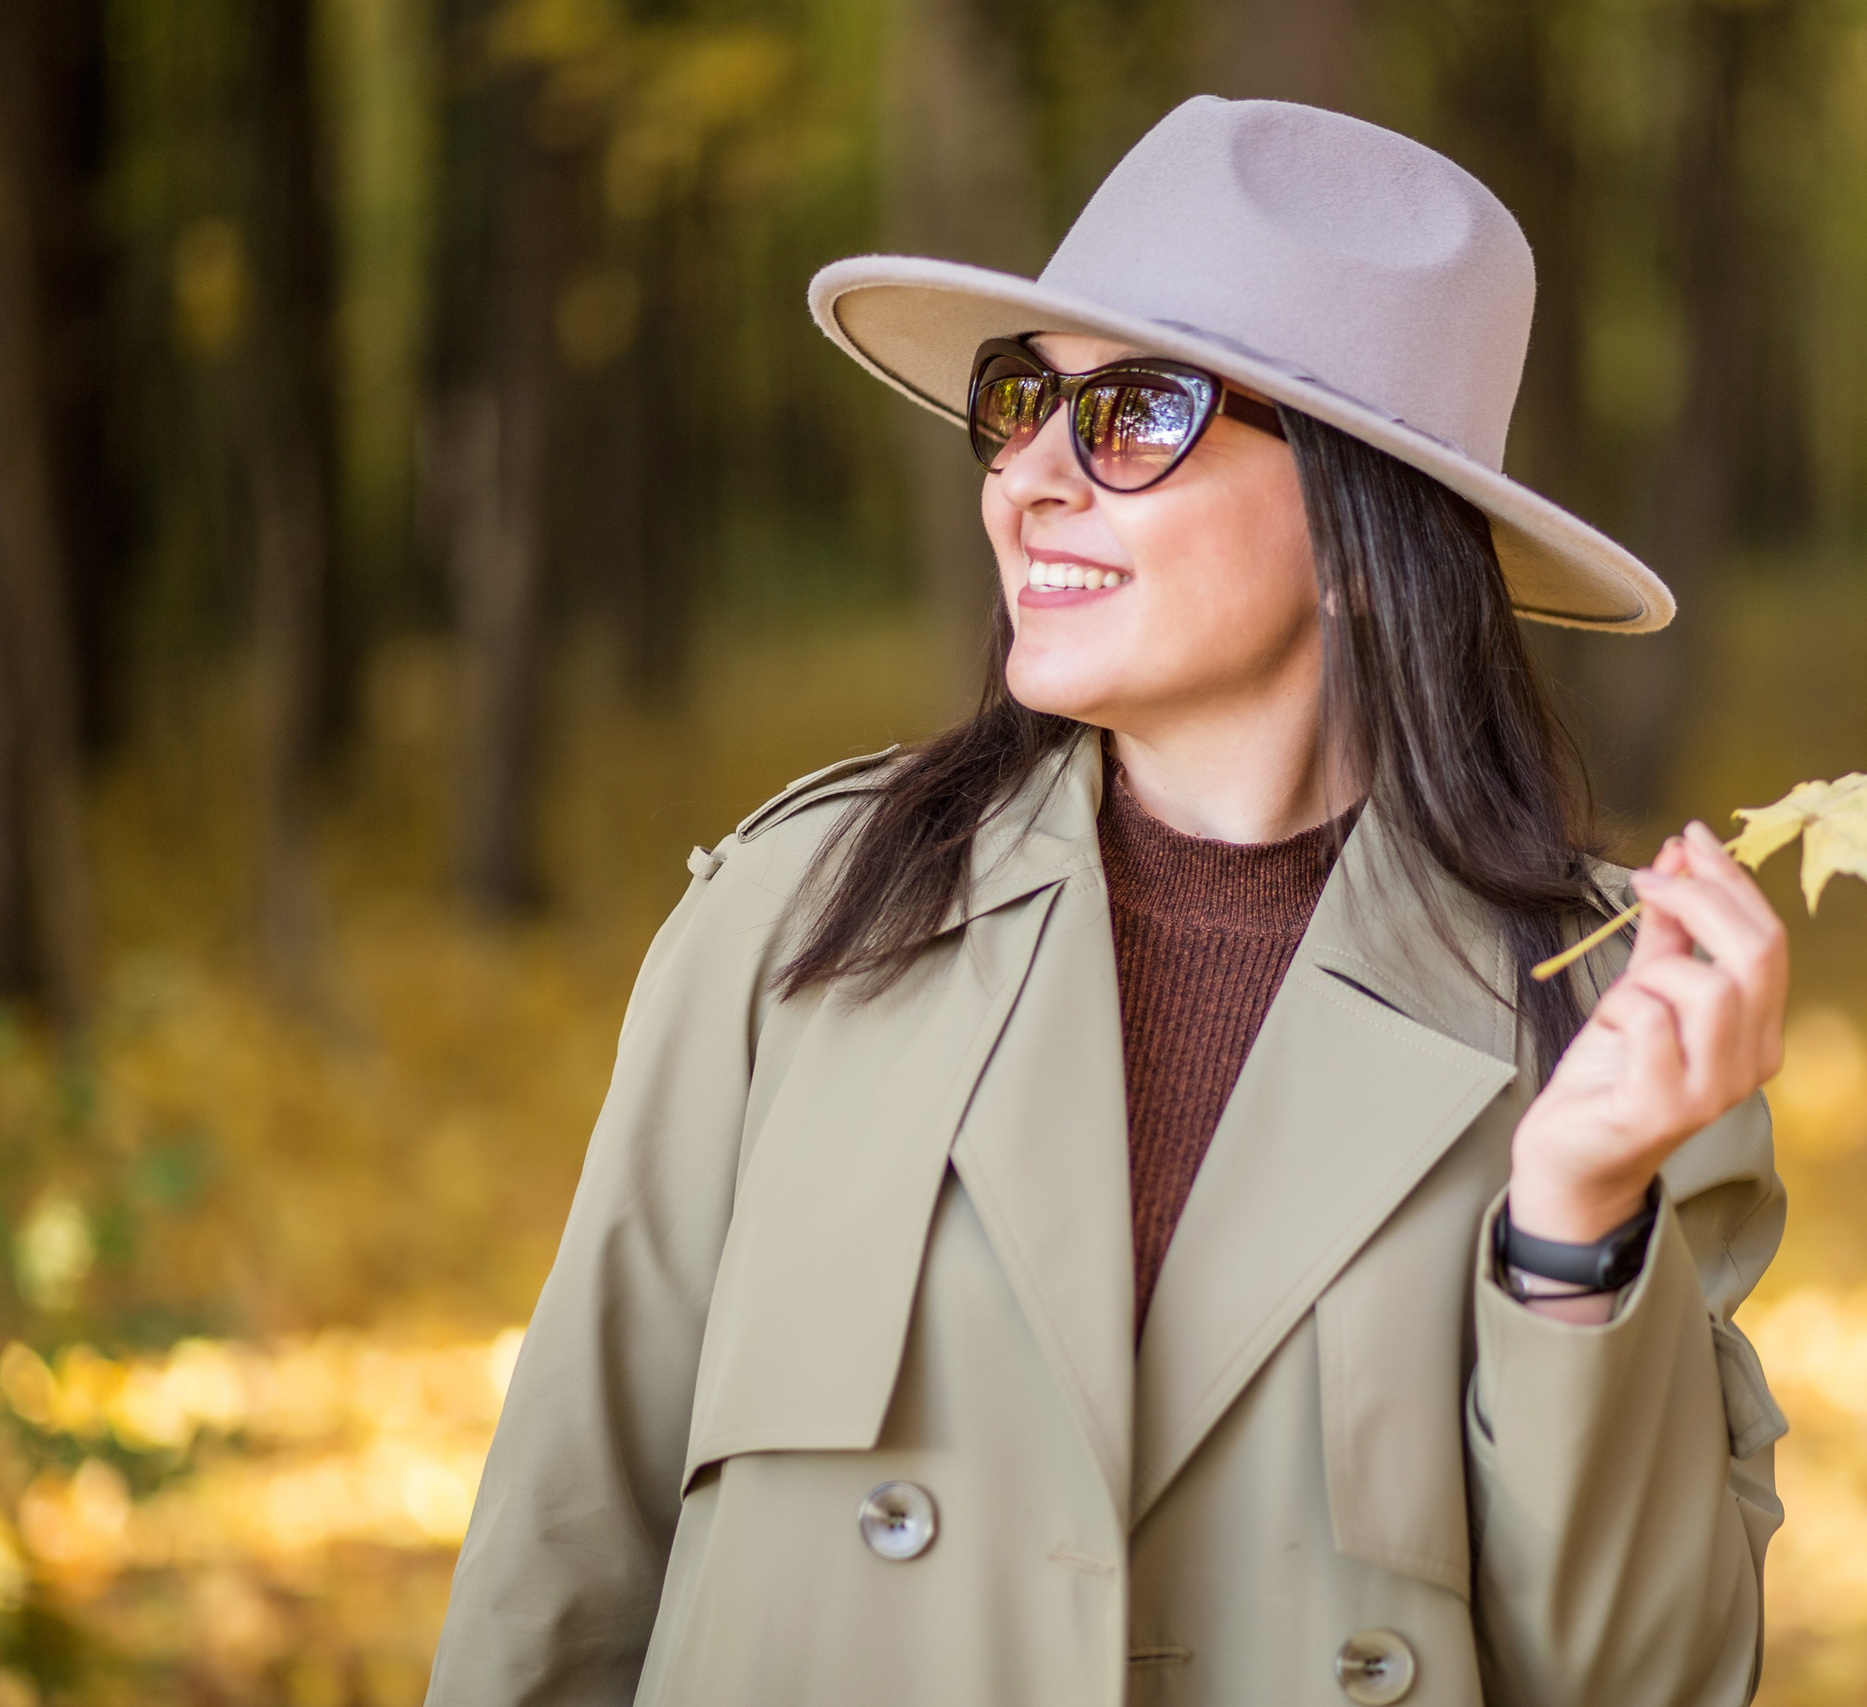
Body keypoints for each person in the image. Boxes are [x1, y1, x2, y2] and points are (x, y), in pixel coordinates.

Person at [426, 96, 1790, 1707]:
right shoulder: (803, 917)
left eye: (1134, 415)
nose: (1027, 482)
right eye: (1023, 402)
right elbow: (559, 1560)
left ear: (1365, 536)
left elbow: (1647, 1678)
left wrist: (1574, 1228)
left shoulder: (1602, 1016)